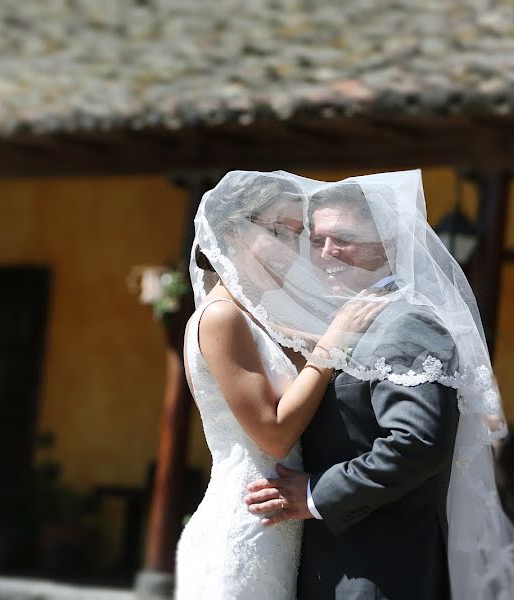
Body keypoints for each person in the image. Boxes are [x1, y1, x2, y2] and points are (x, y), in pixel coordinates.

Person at [241, 171, 514, 599]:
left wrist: (316, 494)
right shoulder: (361, 318)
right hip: (338, 556)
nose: (327, 253)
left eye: (345, 239)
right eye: (317, 241)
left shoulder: (408, 323)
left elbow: (417, 442)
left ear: (388, 245)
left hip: (377, 564)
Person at [174, 172, 388, 600]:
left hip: (280, 525)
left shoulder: (260, 319)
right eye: (276, 231)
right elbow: (273, 436)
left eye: (296, 235)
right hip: (247, 523)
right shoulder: (221, 318)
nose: (290, 250)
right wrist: (332, 344)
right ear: (232, 232)